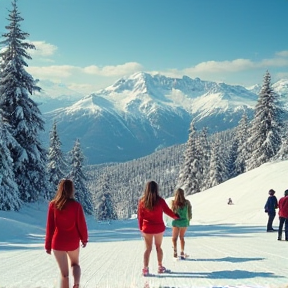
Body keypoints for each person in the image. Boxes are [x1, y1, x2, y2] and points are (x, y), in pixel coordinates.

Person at [45, 179, 88, 288]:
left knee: (64, 274)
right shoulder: (76, 206)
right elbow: (81, 225)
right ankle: (76, 283)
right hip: (72, 242)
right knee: (75, 264)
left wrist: (48, 245)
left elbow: (50, 227)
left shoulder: (53, 205)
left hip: (58, 242)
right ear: (71, 190)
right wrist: (84, 239)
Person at [137, 180, 179, 276]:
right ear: (156, 189)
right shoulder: (160, 201)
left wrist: (141, 228)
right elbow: (168, 211)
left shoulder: (142, 202)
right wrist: (175, 217)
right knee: (158, 247)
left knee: (148, 249)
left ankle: (145, 269)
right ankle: (160, 267)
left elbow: (140, 217)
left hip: (147, 228)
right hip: (158, 228)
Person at [171, 188, 192, 259]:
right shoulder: (187, 202)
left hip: (176, 222)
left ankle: (175, 252)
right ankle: (182, 252)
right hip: (184, 222)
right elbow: (189, 212)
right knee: (181, 237)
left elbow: (172, 212)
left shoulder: (173, 202)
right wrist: (188, 220)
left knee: (174, 238)